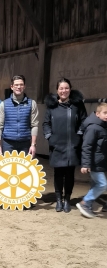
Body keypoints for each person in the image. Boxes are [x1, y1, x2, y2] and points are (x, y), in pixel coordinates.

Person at [43, 78, 87, 213]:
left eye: (66, 88)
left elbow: (83, 121)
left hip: (72, 145)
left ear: (70, 89)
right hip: (57, 145)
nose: (64, 91)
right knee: (58, 173)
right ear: (57, 90)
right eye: (61, 88)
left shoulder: (77, 105)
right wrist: (49, 137)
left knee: (69, 174)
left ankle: (67, 199)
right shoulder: (52, 106)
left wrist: (79, 135)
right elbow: (45, 124)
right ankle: (58, 200)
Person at [76, 103, 107, 218]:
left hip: (100, 161)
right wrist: (85, 164)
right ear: (97, 114)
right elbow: (87, 146)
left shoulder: (102, 126)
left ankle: (87, 206)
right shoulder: (93, 127)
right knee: (102, 184)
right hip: (94, 162)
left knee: (95, 184)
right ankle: (85, 203)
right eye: (105, 113)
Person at [0, 75, 39, 156]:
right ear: (11, 87)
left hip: (25, 144)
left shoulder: (32, 104)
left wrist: (33, 144)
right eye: (16, 85)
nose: (19, 87)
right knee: (8, 168)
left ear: (24, 86)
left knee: (25, 168)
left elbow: (34, 125)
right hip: (8, 144)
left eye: (21, 85)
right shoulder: (3, 104)